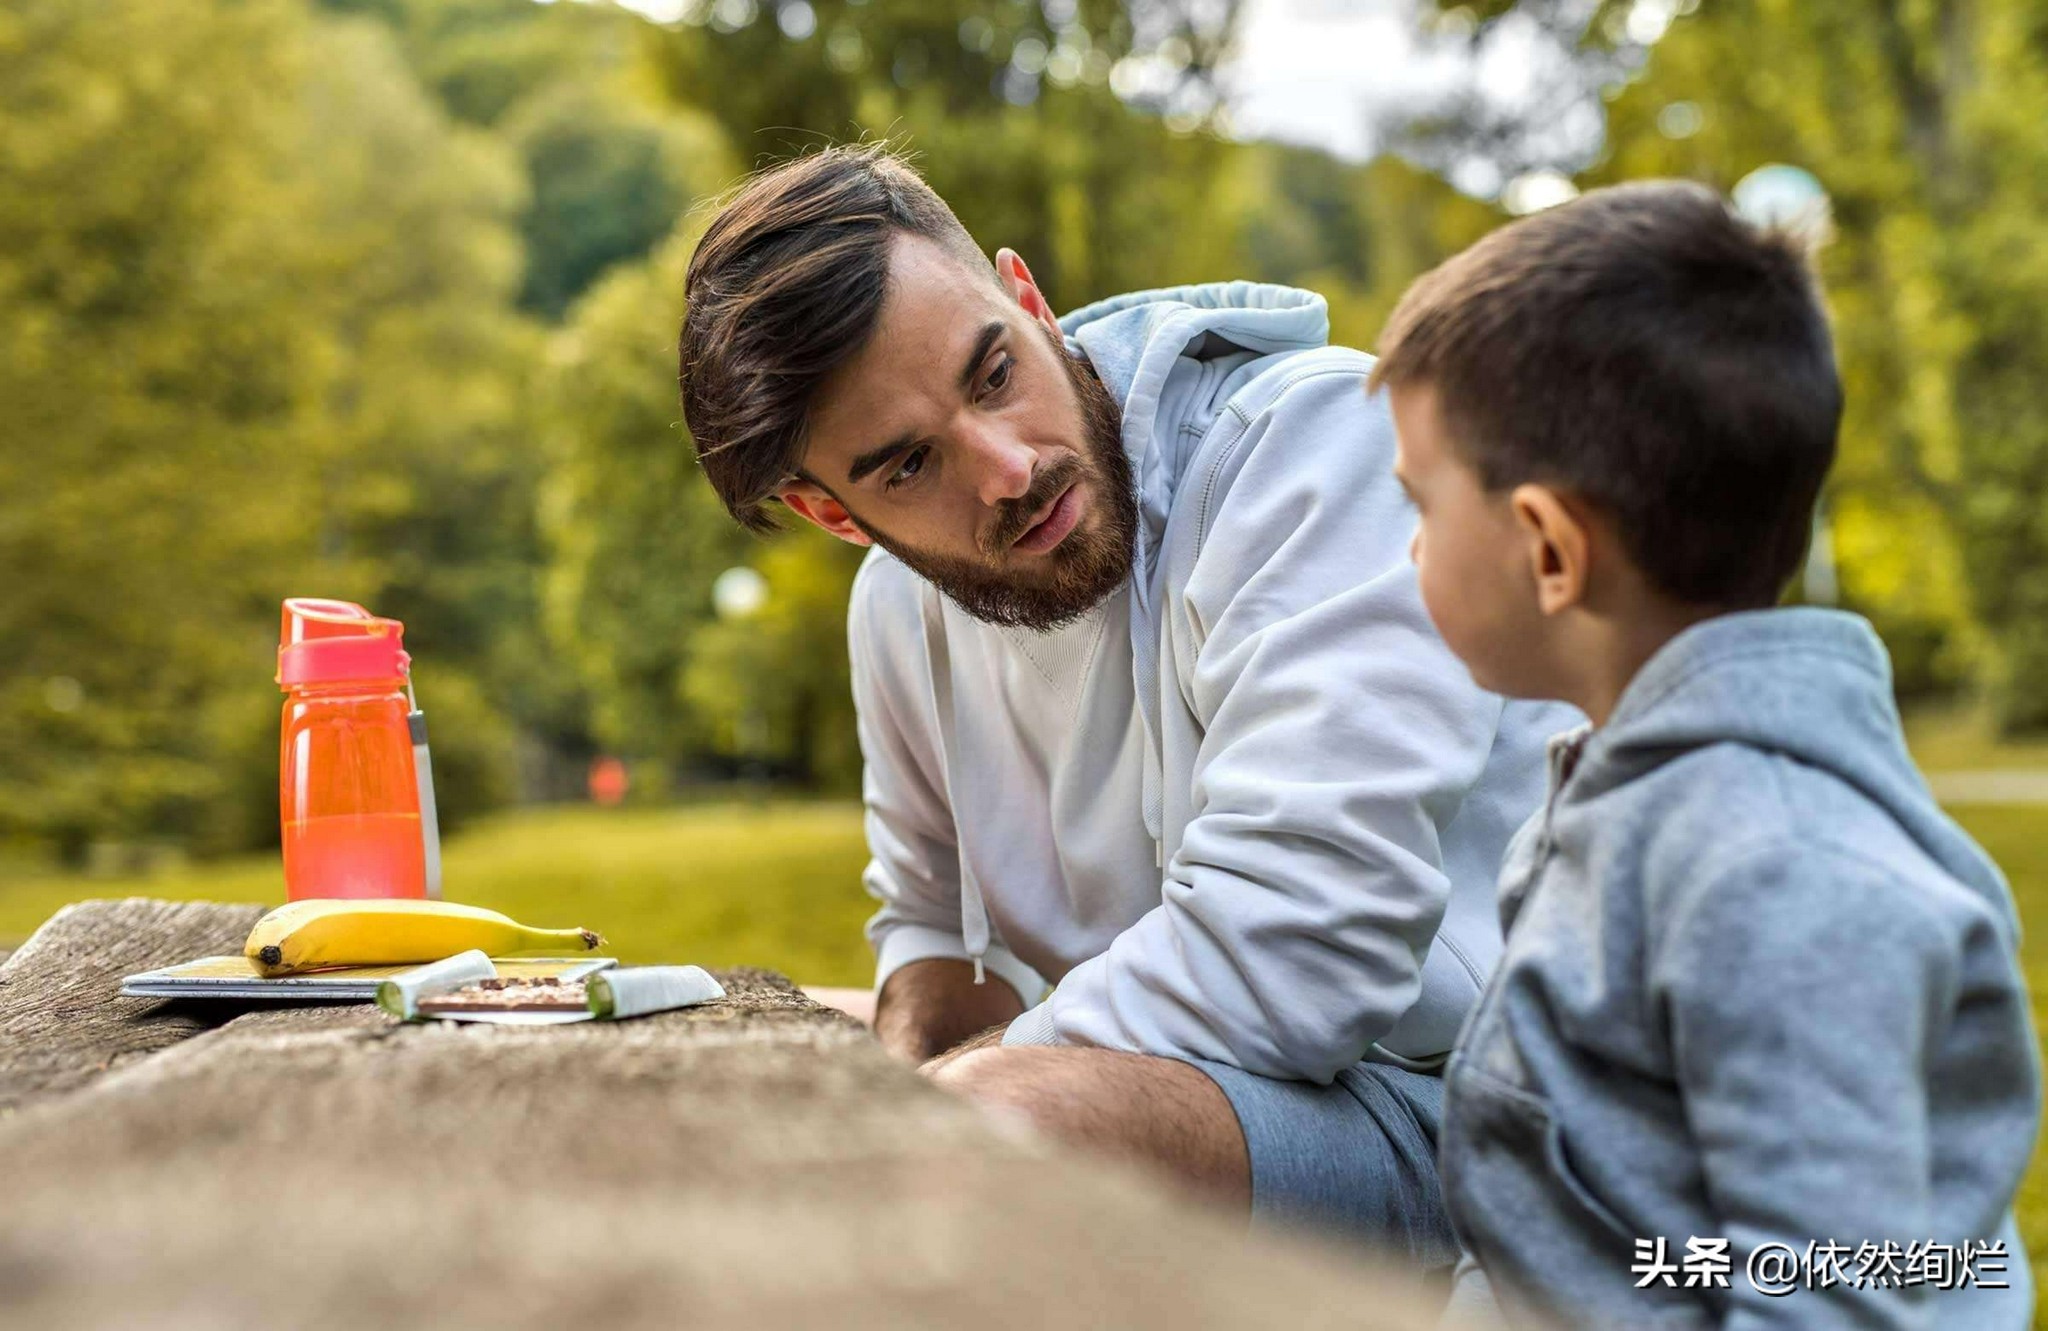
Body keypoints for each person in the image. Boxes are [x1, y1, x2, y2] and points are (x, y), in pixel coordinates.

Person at [676, 144, 1571, 1263]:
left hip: (1506, 1125)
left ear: (1027, 300)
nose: (1004, 468)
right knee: (728, 1034)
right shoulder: (894, 615)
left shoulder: (1314, 449)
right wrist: (923, 1047)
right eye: (908, 465)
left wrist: (949, 1096)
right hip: (1239, 1095)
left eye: (992, 373)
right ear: (835, 514)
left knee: (990, 1132)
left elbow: (1306, 948)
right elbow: (928, 930)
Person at [1375, 181, 2040, 1328]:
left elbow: (1839, 1298)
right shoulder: (1625, 795)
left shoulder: (1774, 872)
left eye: (1420, 507)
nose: (1409, 550)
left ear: (1546, 548)